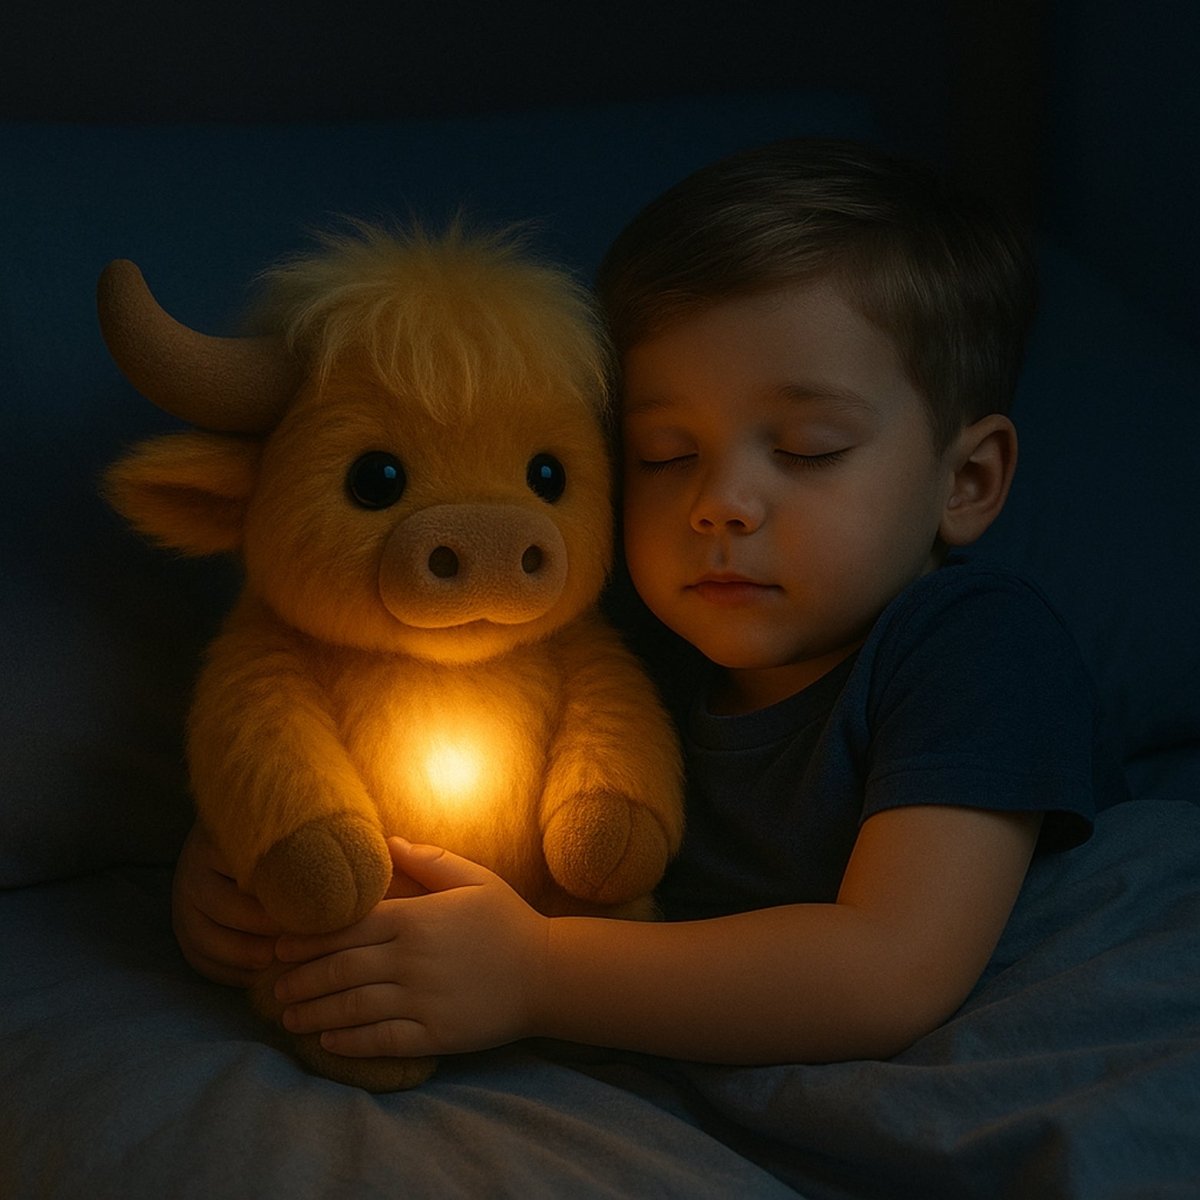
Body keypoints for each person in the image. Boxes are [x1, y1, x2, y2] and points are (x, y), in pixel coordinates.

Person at [171, 139, 1122, 1065]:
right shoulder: (643, 644)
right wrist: (241, 884)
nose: (719, 504)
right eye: (664, 456)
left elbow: (891, 970)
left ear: (967, 481)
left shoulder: (976, 647)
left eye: (807, 448)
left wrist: (534, 973)